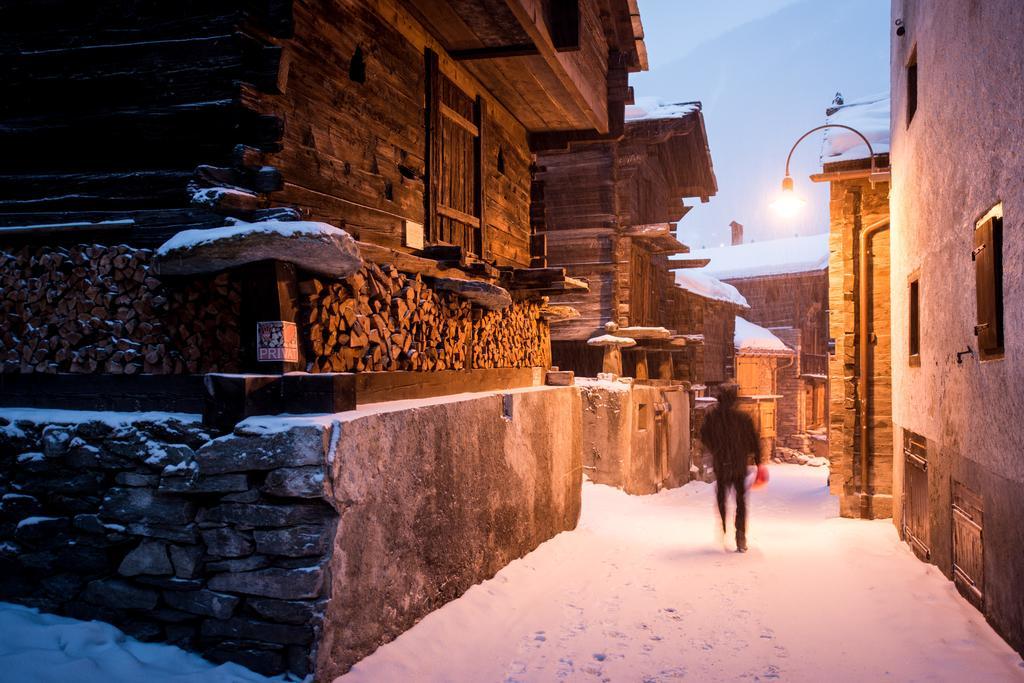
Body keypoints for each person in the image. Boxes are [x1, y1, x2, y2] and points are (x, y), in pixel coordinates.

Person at [699, 383, 761, 552]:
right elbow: (754, 441)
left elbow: (704, 436)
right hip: (738, 463)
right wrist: (757, 460)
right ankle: (740, 535)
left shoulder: (712, 418)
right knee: (740, 499)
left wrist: (716, 449)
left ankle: (724, 526)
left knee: (721, 496)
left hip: (722, 462)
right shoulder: (743, 419)